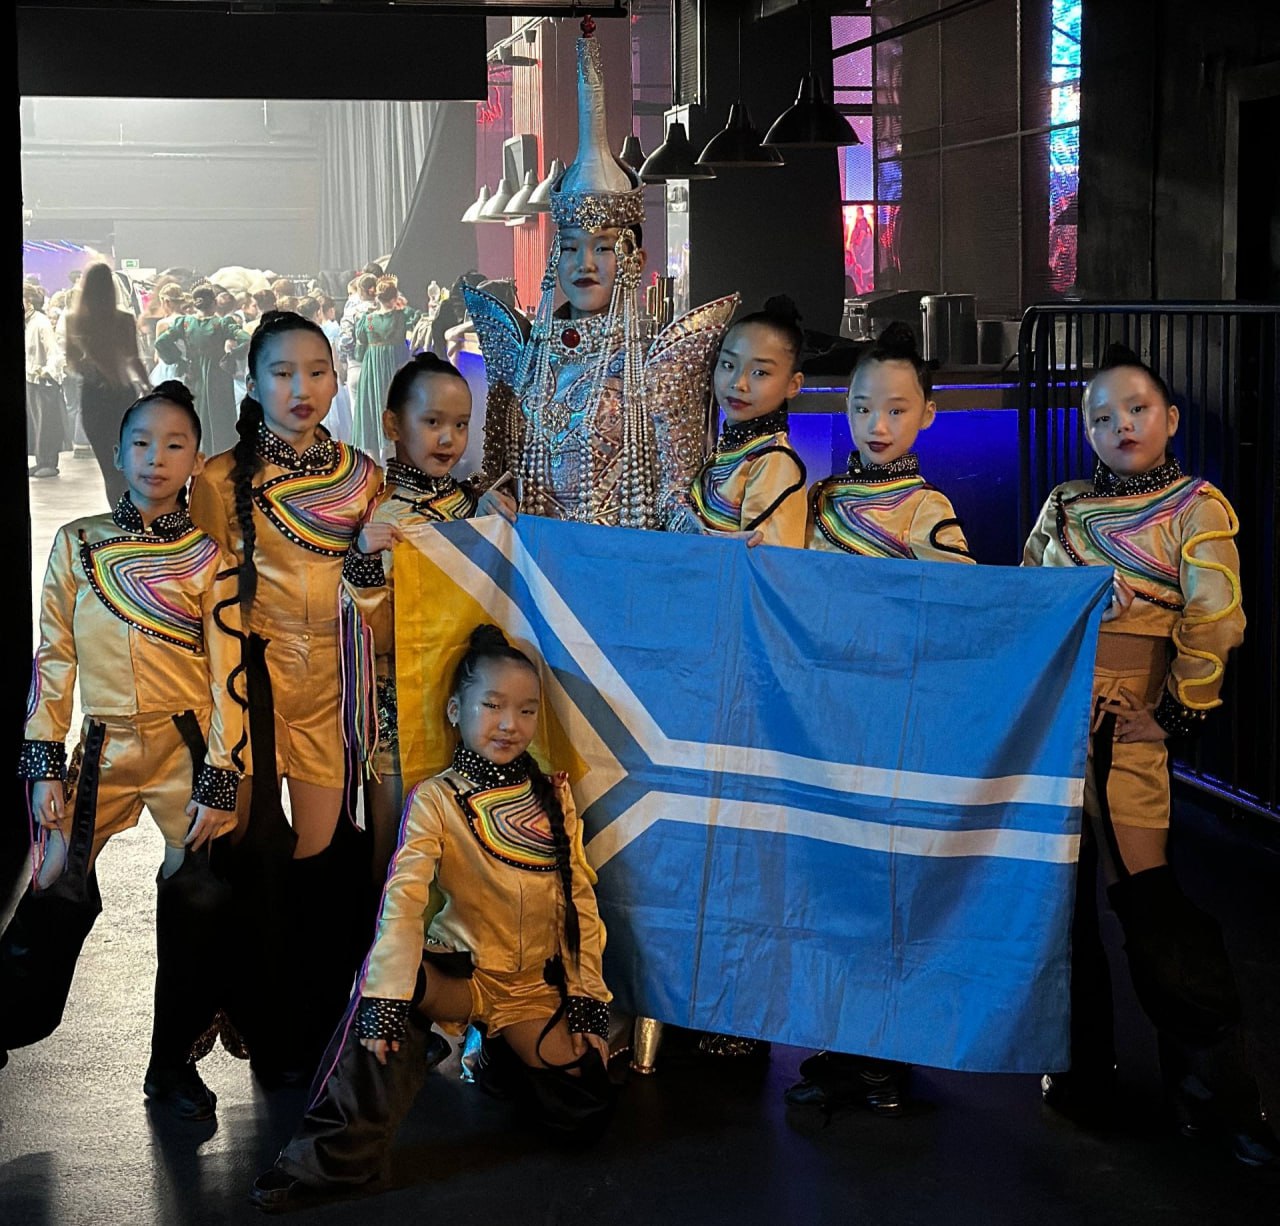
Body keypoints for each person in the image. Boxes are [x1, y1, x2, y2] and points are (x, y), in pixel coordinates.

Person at [250, 625, 613, 1211]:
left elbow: (581, 905)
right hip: (462, 978)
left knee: (584, 1111)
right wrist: (385, 1001)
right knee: (384, 1004)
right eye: (492, 706)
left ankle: (497, 1061)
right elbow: (403, 903)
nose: (509, 723)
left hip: (531, 990)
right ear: (455, 711)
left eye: (526, 710)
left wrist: (587, 996)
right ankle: (331, 1158)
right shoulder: (435, 799)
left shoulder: (555, 795)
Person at [1023, 344, 1276, 1167]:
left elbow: (1215, 619)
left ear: (1169, 418)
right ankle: (1078, 1067)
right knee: (1058, 907)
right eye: (1102, 415)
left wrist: (1171, 715)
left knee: (1151, 901)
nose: (1121, 425)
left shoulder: (1198, 505)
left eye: (1136, 409)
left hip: (1128, 723)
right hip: (1053, 719)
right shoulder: (1064, 504)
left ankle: (1215, 1091)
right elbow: (1026, 596)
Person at [8, 381, 245, 1119]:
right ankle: (6, 1018)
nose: (156, 457)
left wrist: (222, 773)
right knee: (55, 879)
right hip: (102, 745)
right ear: (116, 452)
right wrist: (44, 761)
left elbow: (229, 677)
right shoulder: (77, 543)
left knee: (197, 895)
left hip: (184, 749)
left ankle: (171, 1065)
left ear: (197, 460)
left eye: (175, 445)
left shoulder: (211, 559)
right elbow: (54, 659)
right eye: (141, 442)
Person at [189, 310, 385, 1081]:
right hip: (248, 696)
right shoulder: (217, 480)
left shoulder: (363, 477)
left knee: (317, 860)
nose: (302, 387)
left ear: (337, 380)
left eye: (317, 371)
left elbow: (379, 600)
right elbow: (201, 606)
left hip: (333, 689)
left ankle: (308, 1019)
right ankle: (243, 1010)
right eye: (282, 373)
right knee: (244, 855)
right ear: (253, 383)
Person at [785, 322, 973, 1115]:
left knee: (886, 883)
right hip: (825, 716)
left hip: (890, 719)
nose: (878, 424)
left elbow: (958, 609)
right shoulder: (821, 497)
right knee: (834, 880)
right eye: (863, 408)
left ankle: (884, 1052)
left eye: (896, 410)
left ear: (927, 413)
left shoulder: (930, 508)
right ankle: (846, 1039)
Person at [464, 18, 736, 532]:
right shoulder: (524, 362)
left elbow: (676, 496)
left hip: (620, 564)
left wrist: (714, 537)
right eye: (570, 248)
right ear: (555, 258)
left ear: (633, 258)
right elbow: (493, 477)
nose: (583, 263)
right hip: (535, 563)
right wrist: (483, 503)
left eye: (602, 248)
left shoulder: (656, 366)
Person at [341, 352, 515, 884]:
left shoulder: (477, 506)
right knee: (398, 862)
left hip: (469, 714)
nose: (448, 438)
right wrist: (363, 565)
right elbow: (373, 638)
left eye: (460, 425)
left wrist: (494, 526)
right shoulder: (376, 516)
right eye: (433, 421)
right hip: (398, 719)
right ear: (393, 425)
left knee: (467, 860)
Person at [679, 296, 809, 548]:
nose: (738, 383)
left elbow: (766, 560)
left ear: (793, 385)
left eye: (760, 372)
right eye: (728, 365)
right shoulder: (732, 450)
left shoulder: (774, 461)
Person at [64, 262, 150, 507]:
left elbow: (72, 362)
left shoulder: (74, 320)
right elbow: (133, 359)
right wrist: (148, 386)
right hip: (122, 392)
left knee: (107, 465)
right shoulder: (123, 319)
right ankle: (136, 511)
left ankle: (118, 512)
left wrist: (93, 362)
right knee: (128, 458)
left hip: (92, 394)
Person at [153, 283, 250, 456]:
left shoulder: (184, 323)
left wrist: (178, 361)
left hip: (194, 375)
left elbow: (161, 342)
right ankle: (221, 457)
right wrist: (231, 356)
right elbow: (246, 339)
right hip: (218, 376)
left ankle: (198, 455)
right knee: (221, 418)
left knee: (196, 416)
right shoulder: (222, 324)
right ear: (214, 303)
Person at [351, 276, 419, 460]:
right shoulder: (401, 315)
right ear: (394, 297)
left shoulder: (367, 319)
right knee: (394, 406)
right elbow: (419, 318)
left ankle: (374, 467)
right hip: (395, 366)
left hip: (372, 369)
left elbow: (359, 348)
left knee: (373, 411)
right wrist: (404, 305)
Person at [24, 283, 65, 479]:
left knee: (46, 423)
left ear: (29, 301)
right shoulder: (29, 323)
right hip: (31, 380)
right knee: (36, 423)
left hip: (43, 382)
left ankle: (49, 462)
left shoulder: (41, 323)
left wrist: (47, 372)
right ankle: (41, 461)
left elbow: (54, 353)